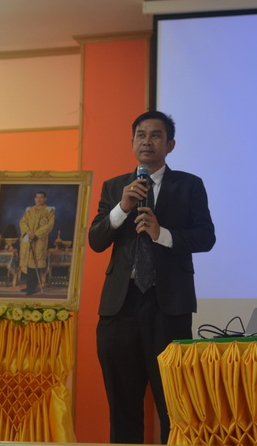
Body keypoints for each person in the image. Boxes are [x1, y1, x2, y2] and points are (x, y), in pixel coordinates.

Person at [89, 110, 216, 444]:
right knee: (123, 407)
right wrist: (121, 208)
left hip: (168, 307)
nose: (147, 141)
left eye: (156, 135)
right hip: (120, 309)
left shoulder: (189, 185)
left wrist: (163, 235)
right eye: (141, 135)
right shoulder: (115, 187)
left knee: (174, 406)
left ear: (170, 145)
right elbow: (96, 241)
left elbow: (206, 237)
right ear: (132, 142)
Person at [19, 191, 55, 295]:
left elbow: (49, 225)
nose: (38, 199)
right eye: (37, 197)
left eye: (41, 197)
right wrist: (28, 232)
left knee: (34, 264)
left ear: (45, 199)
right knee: (28, 264)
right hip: (28, 239)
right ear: (35, 199)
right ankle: (28, 286)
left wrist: (36, 234)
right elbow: (22, 222)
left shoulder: (49, 210)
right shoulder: (29, 210)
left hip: (39, 241)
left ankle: (32, 288)